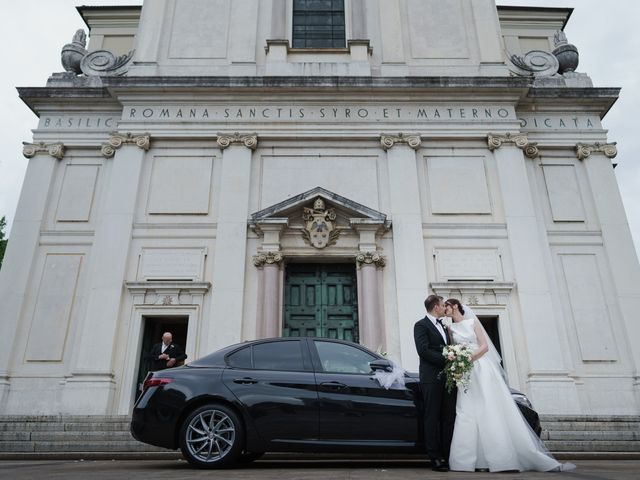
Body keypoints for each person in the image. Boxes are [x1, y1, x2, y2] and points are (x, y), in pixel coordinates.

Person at [444, 298, 575, 472]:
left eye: (446, 305)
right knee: (466, 411)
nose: (444, 309)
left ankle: (500, 458)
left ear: (454, 306)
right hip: (465, 374)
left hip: (481, 368)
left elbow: (484, 347)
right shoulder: (450, 328)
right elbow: (452, 349)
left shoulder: (472, 322)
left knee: (488, 408)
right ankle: (468, 461)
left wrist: (469, 358)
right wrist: (457, 360)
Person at [413, 294, 457, 472]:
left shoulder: (445, 327)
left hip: (449, 379)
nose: (444, 307)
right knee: (431, 417)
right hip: (431, 378)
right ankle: (435, 457)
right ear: (436, 307)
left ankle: (447, 455)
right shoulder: (420, 325)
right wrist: (447, 360)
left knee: (448, 418)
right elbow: (423, 350)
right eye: (442, 304)